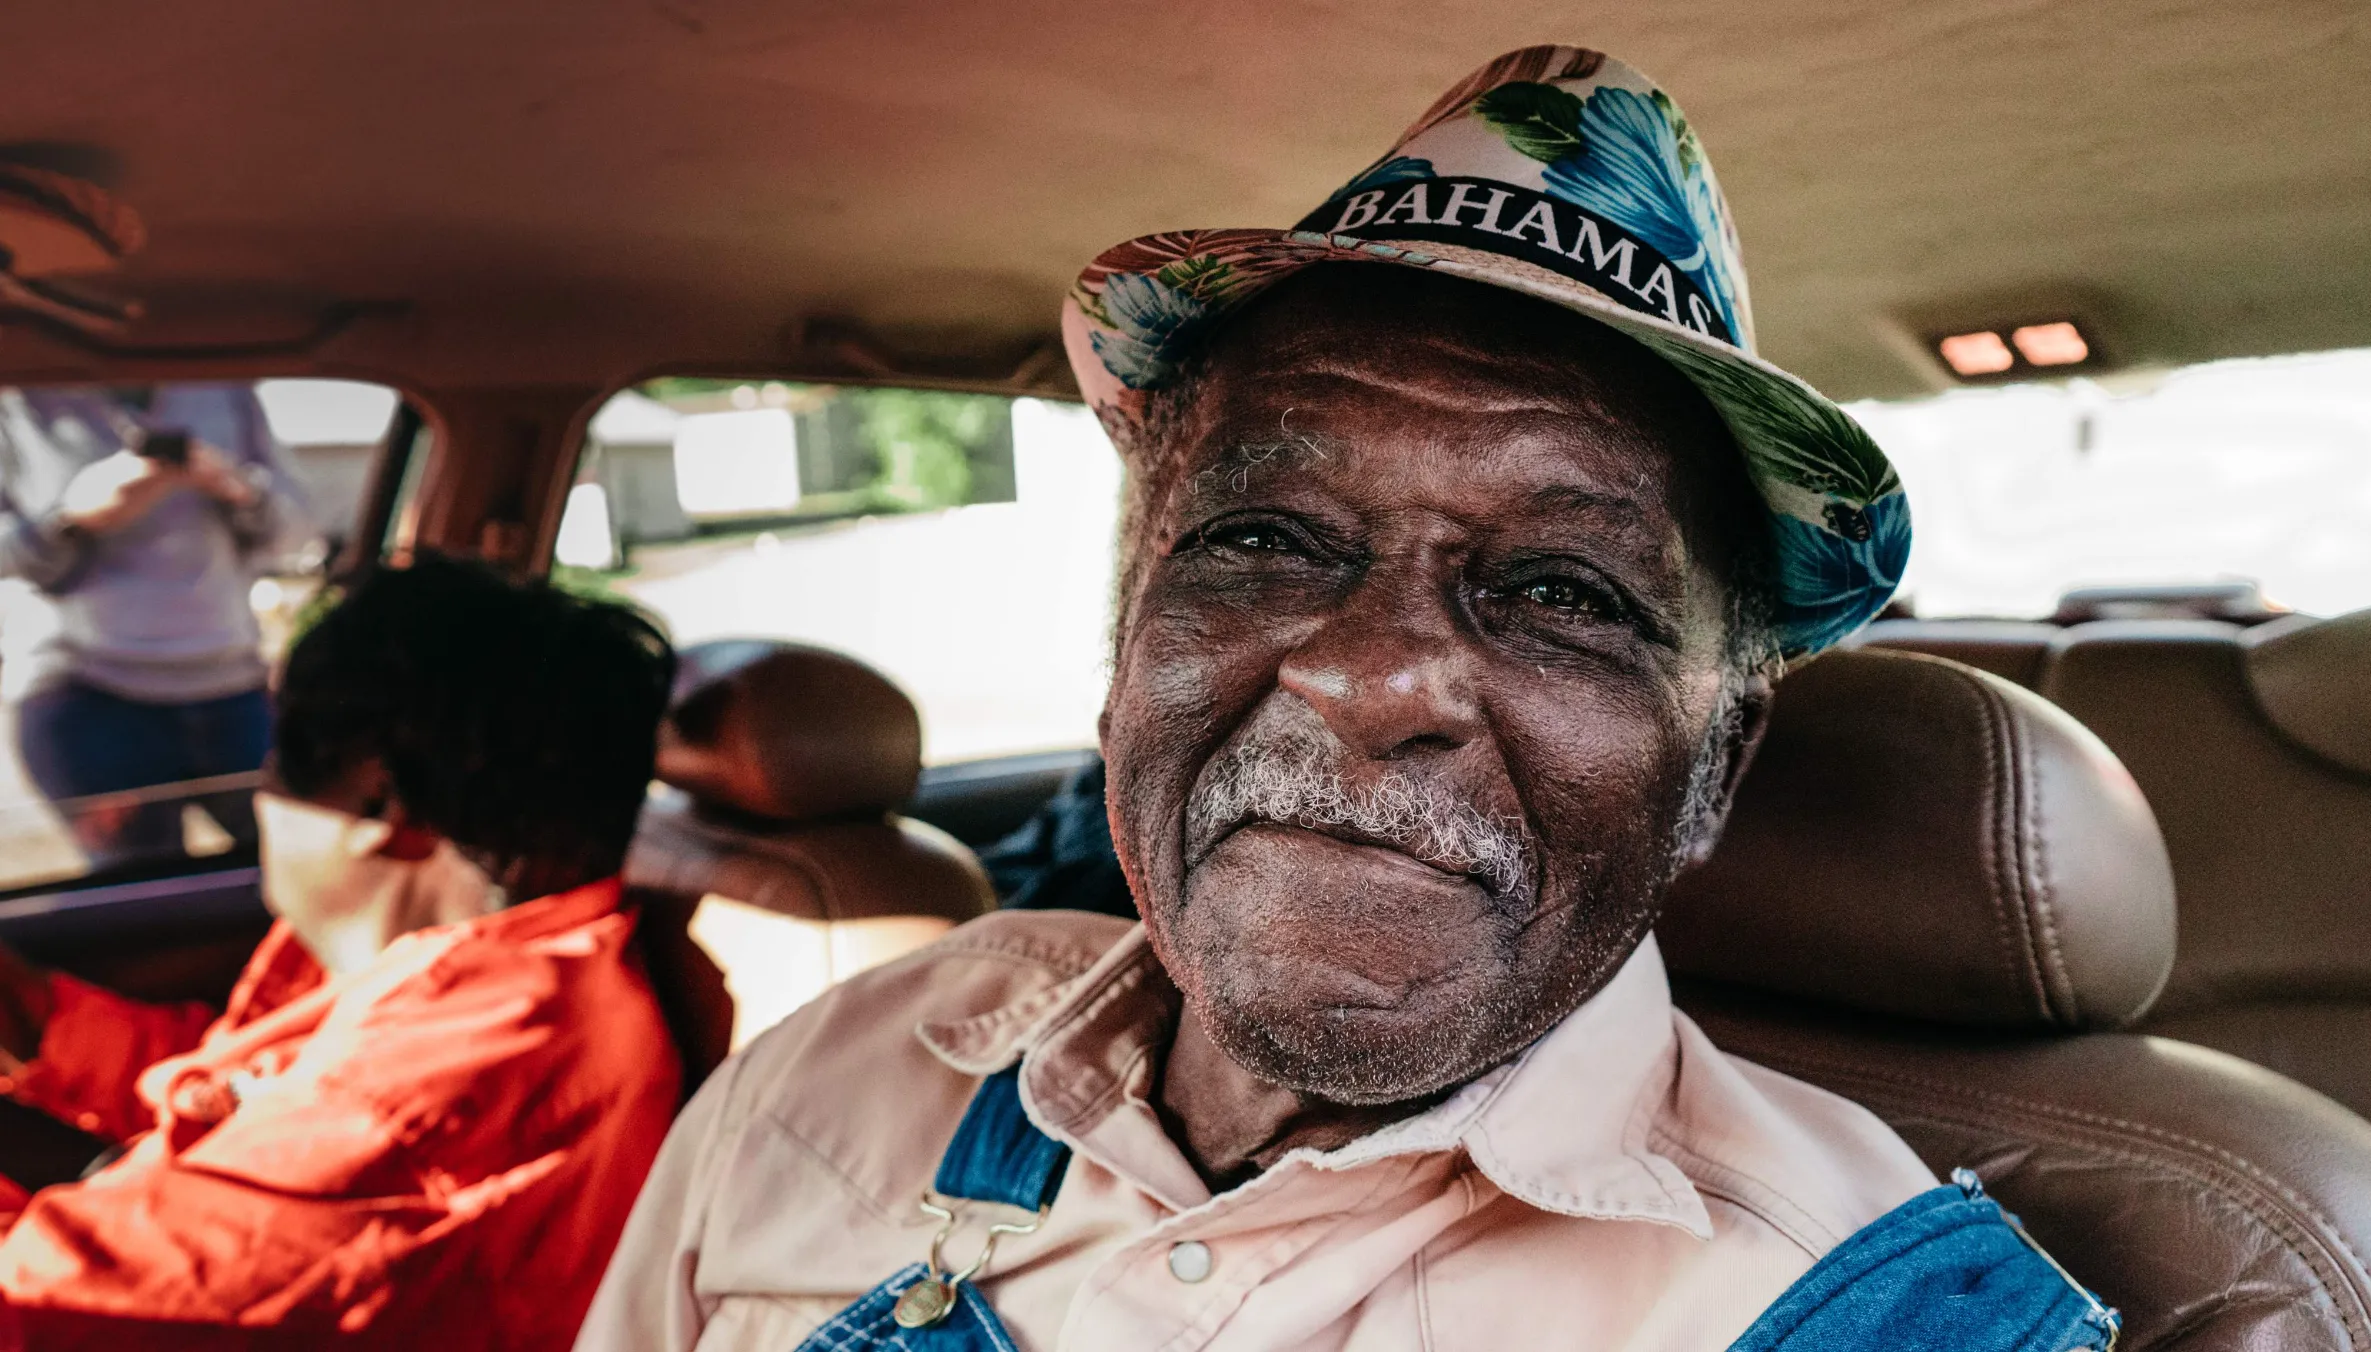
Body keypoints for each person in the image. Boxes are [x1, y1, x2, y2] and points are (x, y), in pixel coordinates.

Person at [577, 47, 2112, 1352]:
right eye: (1264, 539)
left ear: (1713, 768)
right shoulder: (857, 1063)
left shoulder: (1873, 1313)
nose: (1368, 678)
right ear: (1124, 656)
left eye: (1566, 596)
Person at [0, 555, 683, 1350]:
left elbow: (55, 1311)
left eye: (275, 763)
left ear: (378, 799)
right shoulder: (447, 983)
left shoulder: (436, 1095)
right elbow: (234, 1105)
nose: (260, 803)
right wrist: (34, 1017)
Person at [0, 382, 312, 870]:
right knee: (142, 905)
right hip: (87, 695)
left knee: (302, 868)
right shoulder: (16, 401)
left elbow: (297, 530)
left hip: (232, 686)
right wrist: (74, 518)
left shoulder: (226, 391)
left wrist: (234, 487)